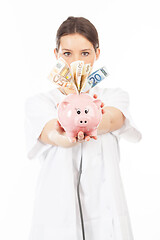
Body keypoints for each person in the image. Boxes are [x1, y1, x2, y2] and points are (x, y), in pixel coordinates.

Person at [25, 16, 142, 240]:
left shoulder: (114, 97)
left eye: (85, 53)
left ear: (97, 54)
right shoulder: (39, 103)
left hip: (107, 215)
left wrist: (77, 99)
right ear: (56, 55)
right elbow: (52, 134)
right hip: (57, 216)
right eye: (67, 53)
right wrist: (66, 136)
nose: (75, 62)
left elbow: (109, 121)